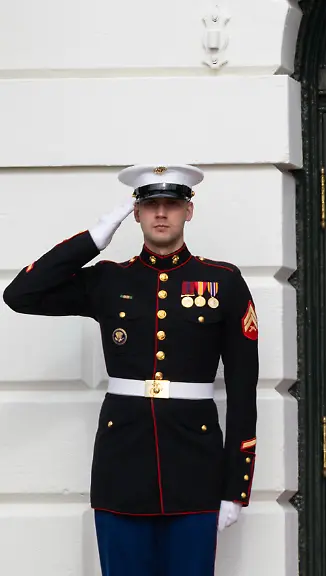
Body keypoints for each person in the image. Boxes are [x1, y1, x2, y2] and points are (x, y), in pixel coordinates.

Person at [3, 164, 259, 576]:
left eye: (172, 205)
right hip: (122, 462)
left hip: (195, 464)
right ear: (135, 213)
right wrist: (94, 238)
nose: (161, 214)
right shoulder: (108, 280)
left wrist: (236, 489)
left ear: (188, 212)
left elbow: (244, 391)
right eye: (150, 205)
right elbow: (20, 294)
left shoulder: (223, 282)